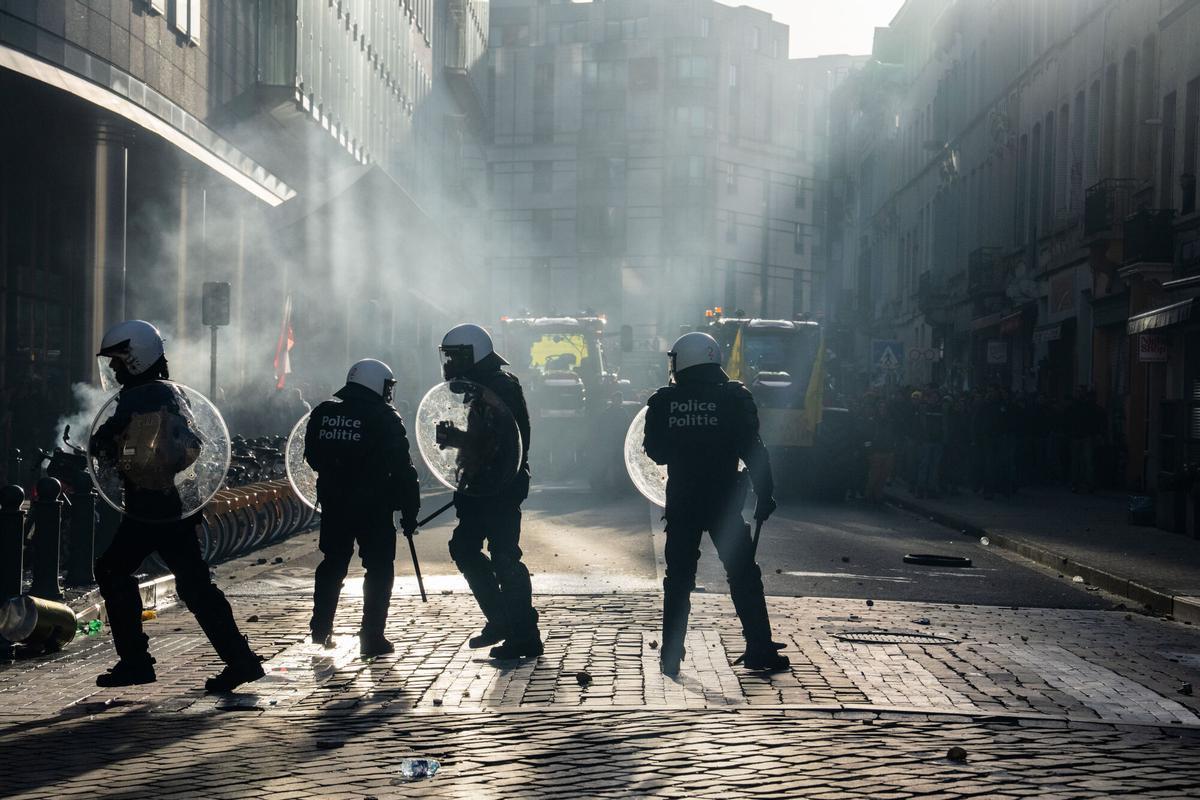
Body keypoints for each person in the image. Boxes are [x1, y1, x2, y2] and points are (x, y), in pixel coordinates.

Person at [90, 320, 264, 691]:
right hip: (169, 503)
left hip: (151, 505)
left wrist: (100, 446)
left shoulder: (143, 396)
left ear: (136, 358)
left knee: (112, 570)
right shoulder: (167, 393)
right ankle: (241, 660)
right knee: (195, 585)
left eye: (119, 360)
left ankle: (136, 661)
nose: (114, 368)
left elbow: (111, 440)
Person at [643, 332, 788, 677]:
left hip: (681, 502)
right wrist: (765, 495)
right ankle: (758, 647)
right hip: (723, 503)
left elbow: (655, 452)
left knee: (678, 579)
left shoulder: (664, 401)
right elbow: (754, 451)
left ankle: (671, 653)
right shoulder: (734, 398)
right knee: (743, 575)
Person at [436, 323, 542, 659]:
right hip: (481, 485)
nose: (450, 363)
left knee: (505, 556)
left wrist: (458, 438)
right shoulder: (481, 387)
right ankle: (501, 621)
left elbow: (501, 441)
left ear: (472, 354)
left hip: (500, 485)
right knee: (465, 547)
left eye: (455, 356)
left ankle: (524, 634)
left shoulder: (499, 387)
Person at [304, 359, 421, 657]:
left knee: (333, 562)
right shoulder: (385, 417)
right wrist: (410, 512)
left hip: (335, 503)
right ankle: (371, 637)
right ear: (377, 384)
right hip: (374, 507)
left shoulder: (324, 412)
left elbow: (311, 457)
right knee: (379, 569)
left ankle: (320, 628)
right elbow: (404, 470)